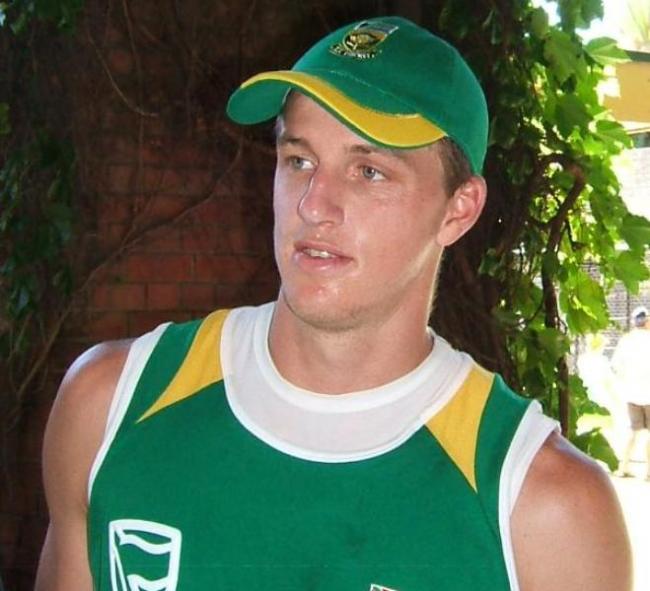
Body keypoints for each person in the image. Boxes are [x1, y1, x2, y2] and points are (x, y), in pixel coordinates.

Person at [36, 16, 631, 591]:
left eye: (369, 171)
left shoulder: (544, 508)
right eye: (299, 161)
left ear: (459, 210)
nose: (313, 205)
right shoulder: (111, 404)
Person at [612, 305, 650, 480]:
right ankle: (648, 471)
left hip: (631, 393)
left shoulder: (626, 341)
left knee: (633, 431)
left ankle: (623, 466)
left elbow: (615, 366)